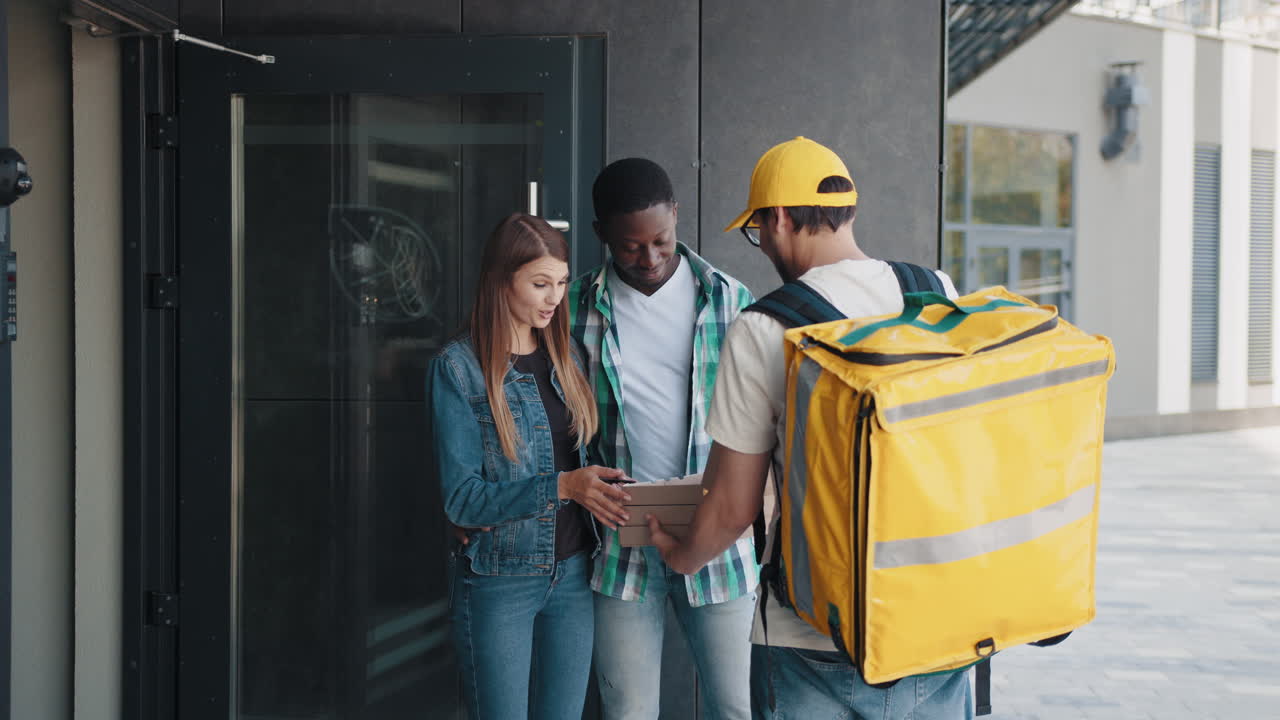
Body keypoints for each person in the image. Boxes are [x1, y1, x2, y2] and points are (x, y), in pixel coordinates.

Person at [647, 137, 974, 719]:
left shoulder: (765, 327)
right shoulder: (936, 292)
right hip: (937, 615)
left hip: (813, 635)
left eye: (757, 231)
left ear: (777, 219)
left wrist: (681, 557)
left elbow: (731, 507)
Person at [567, 158, 758, 720]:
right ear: (601, 234)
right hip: (620, 542)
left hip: (716, 535)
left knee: (738, 707)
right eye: (630, 247)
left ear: (676, 215)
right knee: (626, 710)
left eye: (661, 240)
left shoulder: (730, 299)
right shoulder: (573, 308)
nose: (648, 259)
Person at [429, 213, 632, 720]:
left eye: (561, 283)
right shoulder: (459, 368)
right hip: (500, 580)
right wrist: (564, 486)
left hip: (572, 574)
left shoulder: (564, 356)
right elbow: (462, 499)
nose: (554, 298)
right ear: (502, 280)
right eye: (540, 284)